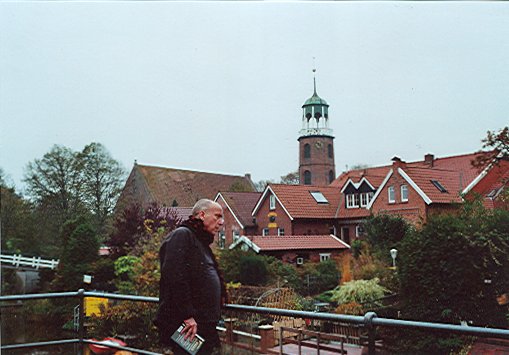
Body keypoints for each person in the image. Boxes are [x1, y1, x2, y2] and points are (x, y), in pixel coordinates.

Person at [155, 199, 227, 355]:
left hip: (200, 324)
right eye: (217, 216)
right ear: (202, 214)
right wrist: (187, 315)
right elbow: (174, 276)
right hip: (188, 325)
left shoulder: (200, 241)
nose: (221, 222)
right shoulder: (183, 235)